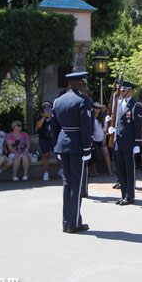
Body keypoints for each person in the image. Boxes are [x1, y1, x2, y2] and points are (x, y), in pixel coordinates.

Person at [51, 71, 94, 234]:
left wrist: (57, 147)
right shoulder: (84, 101)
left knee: (67, 183)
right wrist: (86, 148)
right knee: (76, 185)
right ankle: (74, 222)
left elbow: (54, 128)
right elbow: (86, 127)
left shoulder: (58, 101)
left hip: (63, 145)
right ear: (81, 84)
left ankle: (66, 221)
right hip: (77, 147)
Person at [107, 80, 142, 206]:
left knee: (129, 170)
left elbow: (137, 126)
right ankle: (123, 194)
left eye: (123, 90)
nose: (121, 92)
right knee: (120, 170)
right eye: (121, 90)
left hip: (129, 143)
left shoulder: (135, 106)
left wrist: (137, 144)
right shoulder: (118, 104)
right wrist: (111, 125)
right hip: (118, 142)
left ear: (130, 91)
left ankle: (130, 195)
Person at [36, 100, 58, 181]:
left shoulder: (55, 116)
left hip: (54, 139)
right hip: (44, 139)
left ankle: (62, 170)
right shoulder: (40, 117)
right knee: (46, 155)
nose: (47, 108)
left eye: (48, 106)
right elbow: (38, 126)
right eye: (45, 107)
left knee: (58, 155)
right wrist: (44, 116)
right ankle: (45, 173)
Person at [90, 102, 112, 176]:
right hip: (94, 140)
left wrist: (104, 139)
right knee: (94, 155)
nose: (97, 110)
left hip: (101, 138)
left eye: (98, 108)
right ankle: (95, 171)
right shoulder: (91, 119)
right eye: (95, 108)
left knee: (106, 154)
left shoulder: (102, 119)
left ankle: (109, 170)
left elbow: (104, 130)